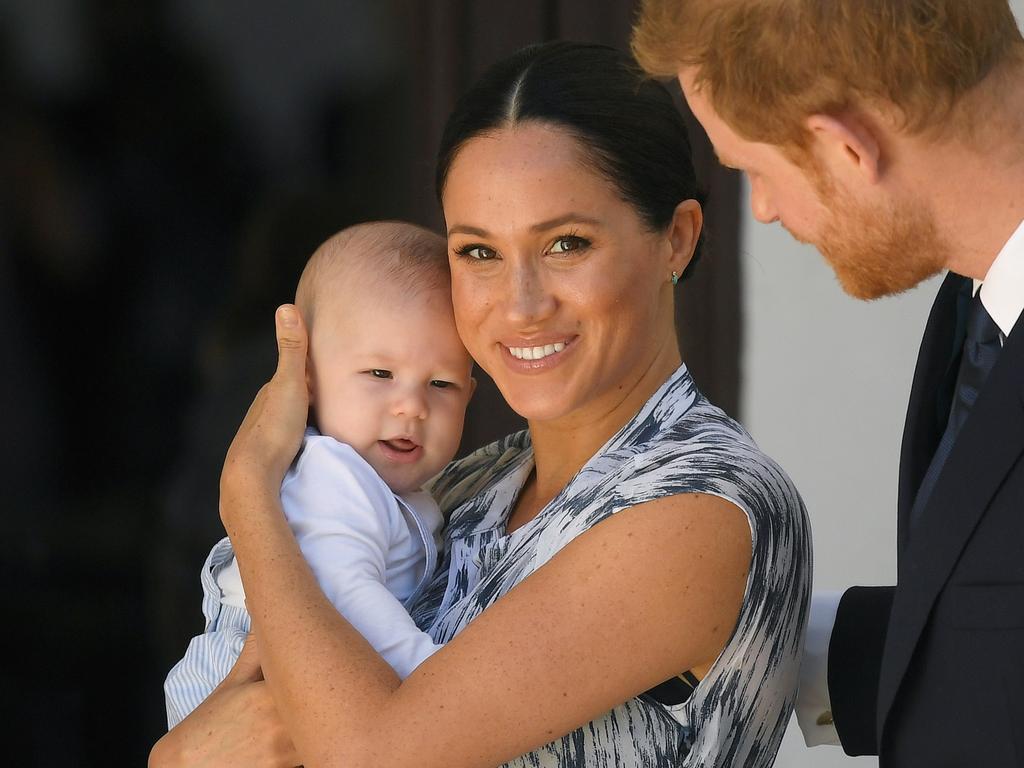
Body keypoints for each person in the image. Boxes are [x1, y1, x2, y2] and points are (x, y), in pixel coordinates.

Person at [150, 42, 811, 768]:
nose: (520, 306)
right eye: (478, 253)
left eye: (566, 243)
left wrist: (248, 493)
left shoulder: (703, 505)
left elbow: (373, 754)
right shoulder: (467, 488)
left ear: (675, 240)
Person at [632, 1, 1024, 765]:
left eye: (752, 170)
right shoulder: (973, 300)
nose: (767, 211)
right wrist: (747, 627)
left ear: (845, 148)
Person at [163, 221, 475, 726]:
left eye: (442, 384)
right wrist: (430, 678)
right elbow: (347, 593)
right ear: (306, 378)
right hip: (247, 684)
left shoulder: (402, 489)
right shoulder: (333, 476)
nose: (412, 406)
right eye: (380, 374)